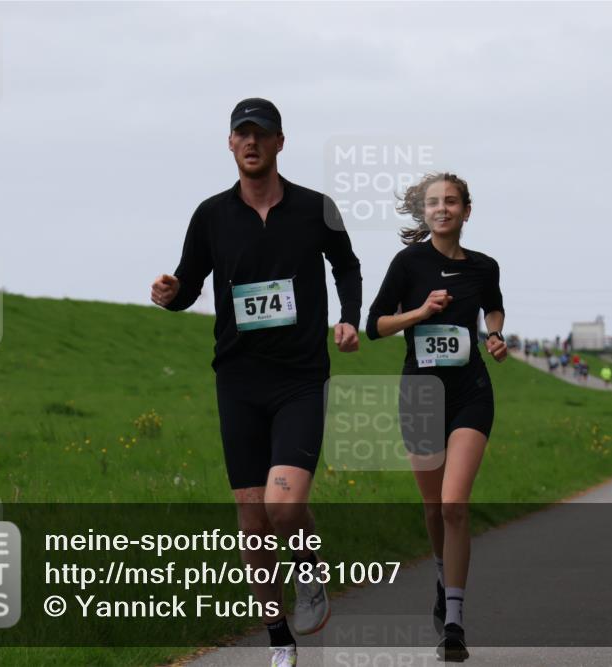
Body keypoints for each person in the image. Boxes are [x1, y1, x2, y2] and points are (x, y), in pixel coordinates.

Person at [150, 98, 362, 667]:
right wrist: (172, 297)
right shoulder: (211, 215)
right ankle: (279, 641)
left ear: (279, 143)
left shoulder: (318, 208)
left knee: (284, 507)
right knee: (251, 519)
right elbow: (190, 284)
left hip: (299, 377)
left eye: (261, 134)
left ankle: (310, 568)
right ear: (230, 144)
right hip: (238, 380)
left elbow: (347, 263)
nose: (251, 143)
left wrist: (348, 316)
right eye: (242, 134)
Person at [366, 172, 506, 662]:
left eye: (451, 201)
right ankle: (443, 572)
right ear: (423, 213)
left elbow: (494, 308)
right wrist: (420, 312)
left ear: (467, 210)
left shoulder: (484, 266)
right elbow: (375, 326)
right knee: (432, 509)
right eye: (433, 203)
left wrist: (494, 335)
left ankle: (454, 619)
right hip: (421, 394)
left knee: (453, 505)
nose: (442, 209)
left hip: (471, 391)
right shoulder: (407, 263)